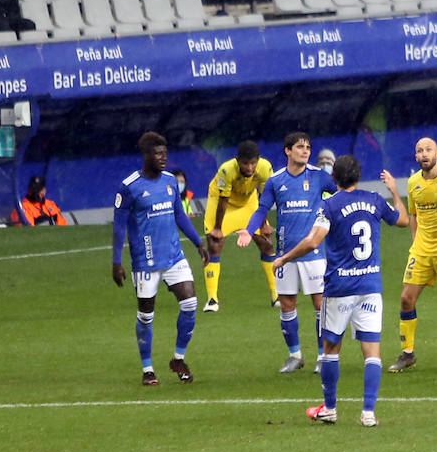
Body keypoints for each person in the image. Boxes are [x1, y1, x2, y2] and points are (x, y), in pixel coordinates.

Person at [274, 155, 408, 427]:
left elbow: (313, 242)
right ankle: (368, 413)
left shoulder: (330, 205)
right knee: (372, 351)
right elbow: (403, 220)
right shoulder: (374, 199)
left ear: (333, 178)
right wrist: (394, 189)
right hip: (370, 286)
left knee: (331, 348)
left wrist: (284, 258)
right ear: (358, 176)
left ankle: (331, 408)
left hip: (339, 288)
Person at [112, 132, 210, 385]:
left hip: (174, 255)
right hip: (146, 260)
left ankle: (178, 358)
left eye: (165, 153)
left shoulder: (169, 182)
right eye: (157, 154)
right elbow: (118, 227)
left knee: (190, 303)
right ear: (146, 155)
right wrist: (116, 262)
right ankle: (147, 369)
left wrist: (199, 243)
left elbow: (180, 215)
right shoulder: (130, 186)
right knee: (146, 315)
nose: (163, 158)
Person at [236, 131, 337, 373]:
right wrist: (250, 231)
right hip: (285, 254)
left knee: (320, 304)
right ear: (287, 151)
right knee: (287, 304)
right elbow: (262, 209)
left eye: (308, 147)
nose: (305, 151)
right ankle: (295, 355)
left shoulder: (319, 176)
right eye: (300, 147)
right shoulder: (275, 180)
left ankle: (323, 356)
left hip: (314, 254)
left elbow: (340, 193)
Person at [387, 137, 437, 372]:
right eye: (419, 151)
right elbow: (414, 215)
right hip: (422, 250)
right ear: (416, 157)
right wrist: (415, 243)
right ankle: (408, 354)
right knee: (406, 298)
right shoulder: (413, 182)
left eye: (428, 150)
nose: (424, 154)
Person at [202, 139, 276, 311]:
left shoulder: (265, 168)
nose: (250, 168)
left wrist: (264, 224)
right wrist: (218, 229)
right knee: (214, 243)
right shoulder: (227, 170)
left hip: (248, 202)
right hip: (222, 204)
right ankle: (212, 299)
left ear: (258, 160)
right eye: (245, 163)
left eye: (253, 163)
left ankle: (275, 295)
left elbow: (265, 198)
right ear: (237, 160)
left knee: (266, 242)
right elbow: (223, 201)